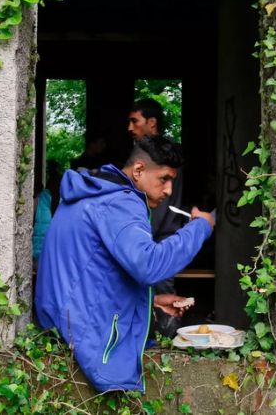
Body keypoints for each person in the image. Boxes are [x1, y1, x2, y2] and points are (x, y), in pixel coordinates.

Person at [34, 136, 214, 392]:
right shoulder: (120, 202)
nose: (169, 191)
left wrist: (148, 302)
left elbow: (91, 273)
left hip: (60, 326)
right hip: (88, 339)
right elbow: (149, 265)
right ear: (139, 170)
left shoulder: (93, 192)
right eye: (164, 179)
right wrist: (200, 228)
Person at [127, 98, 188, 337]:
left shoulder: (165, 158)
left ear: (151, 123)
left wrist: (143, 236)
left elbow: (163, 205)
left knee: (163, 287)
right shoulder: (142, 153)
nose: (130, 127)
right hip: (151, 234)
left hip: (161, 234)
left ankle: (167, 340)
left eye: (135, 121)